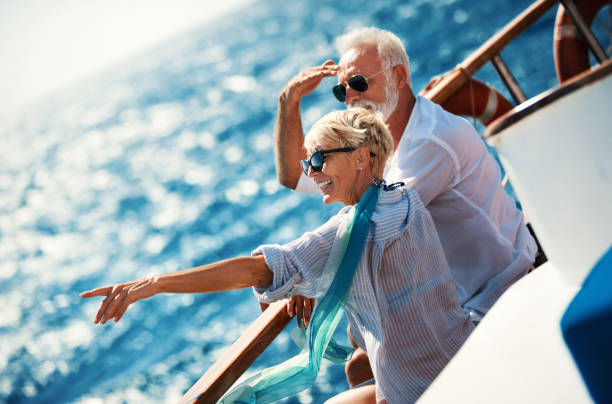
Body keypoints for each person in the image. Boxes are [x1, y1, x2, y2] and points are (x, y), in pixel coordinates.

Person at [81, 108, 474, 404]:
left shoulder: (350, 231)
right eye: (308, 162)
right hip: (466, 354)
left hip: (423, 391)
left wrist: (157, 283)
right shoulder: (406, 198)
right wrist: (306, 279)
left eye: (319, 159)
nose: (312, 171)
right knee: (357, 366)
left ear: (360, 157)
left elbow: (256, 271)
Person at [274, 26, 538, 386]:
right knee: (360, 367)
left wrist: (297, 272)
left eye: (359, 83)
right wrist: (288, 102)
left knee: (364, 366)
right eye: (342, 90)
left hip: (501, 292)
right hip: (465, 299)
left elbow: (374, 226)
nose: (350, 97)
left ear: (399, 76)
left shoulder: (430, 140)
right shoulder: (378, 148)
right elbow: (292, 175)